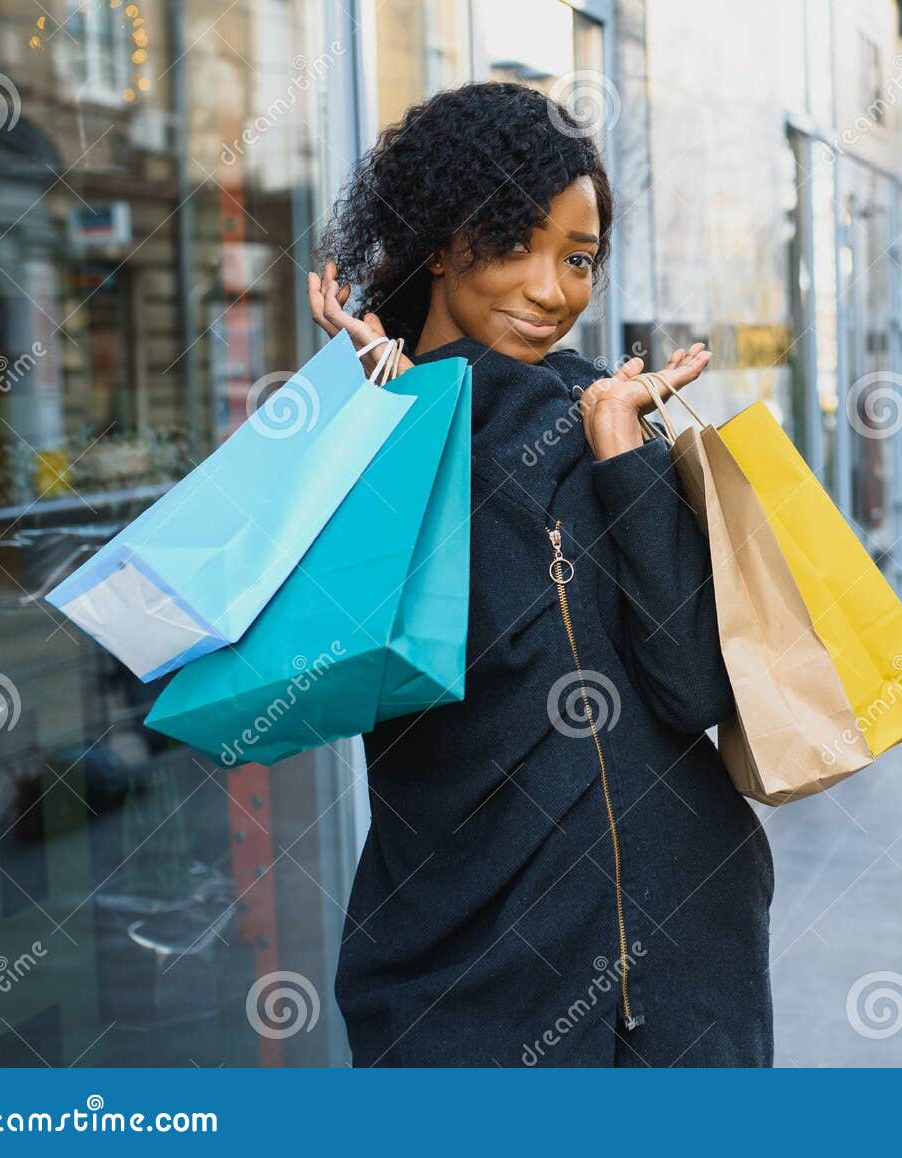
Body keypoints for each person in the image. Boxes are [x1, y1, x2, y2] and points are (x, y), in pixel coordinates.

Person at [306, 81, 774, 1066]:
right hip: (470, 977)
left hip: (689, 957)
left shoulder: (603, 412)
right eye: (515, 243)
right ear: (439, 240)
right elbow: (359, 676)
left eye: (578, 258)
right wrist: (388, 415)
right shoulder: (365, 434)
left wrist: (622, 452)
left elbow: (692, 688)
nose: (552, 290)